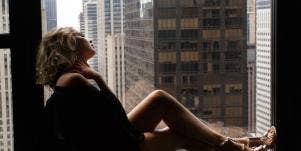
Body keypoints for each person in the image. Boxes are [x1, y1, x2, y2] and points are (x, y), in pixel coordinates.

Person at [36, 27, 276, 151]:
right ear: (70, 46)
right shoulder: (74, 80)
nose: (86, 37)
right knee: (181, 134)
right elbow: (116, 117)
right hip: (118, 148)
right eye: (79, 35)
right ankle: (240, 147)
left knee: (159, 99)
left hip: (113, 139)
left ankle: (239, 144)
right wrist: (99, 80)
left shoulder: (68, 78)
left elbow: (109, 123)